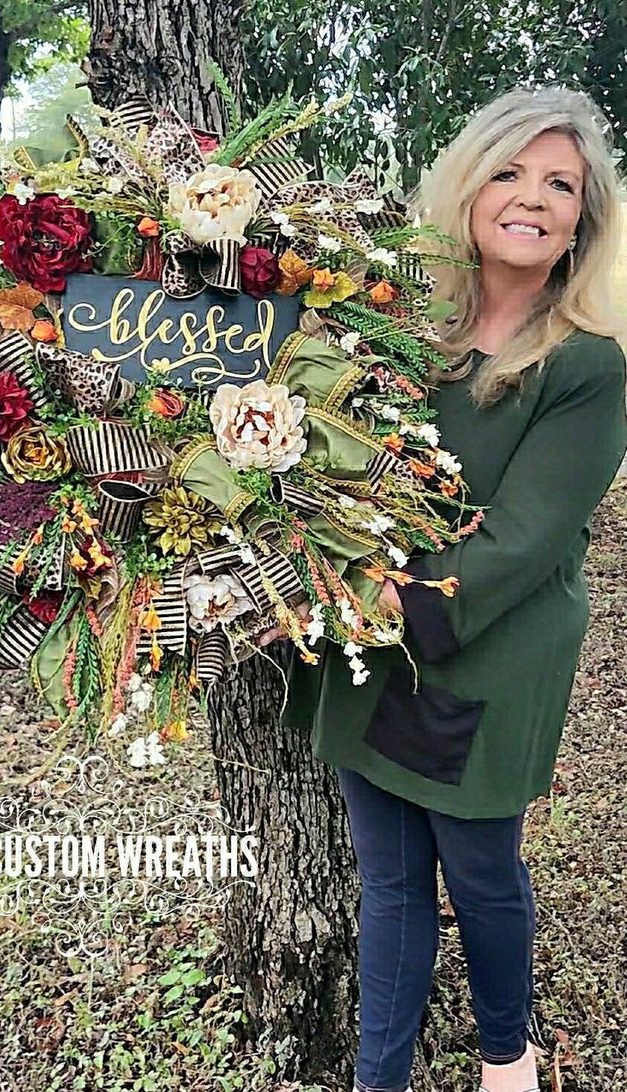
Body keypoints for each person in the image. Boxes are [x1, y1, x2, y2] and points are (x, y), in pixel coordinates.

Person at [268, 84, 627, 1092]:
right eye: (509, 171)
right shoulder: (397, 327)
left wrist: (376, 604)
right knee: (385, 880)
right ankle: (375, 1077)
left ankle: (505, 1055)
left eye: (560, 183)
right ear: (467, 189)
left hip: (480, 659)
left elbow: (520, 539)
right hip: (370, 647)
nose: (533, 196)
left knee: (477, 875)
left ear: (581, 220)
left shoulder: (585, 365)